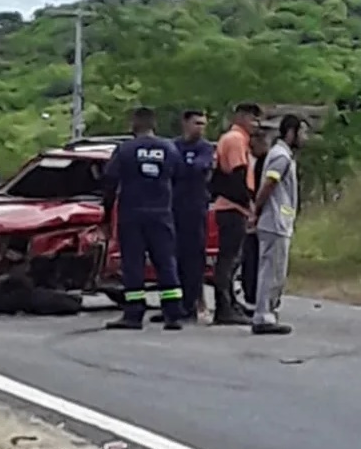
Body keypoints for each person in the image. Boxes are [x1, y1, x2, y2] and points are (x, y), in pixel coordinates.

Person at [102, 107, 187, 331]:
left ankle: (134, 314)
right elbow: (180, 178)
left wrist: (106, 210)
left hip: (132, 214)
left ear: (134, 125)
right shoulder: (169, 149)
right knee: (166, 261)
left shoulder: (125, 150)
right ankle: (173, 314)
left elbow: (109, 180)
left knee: (133, 264)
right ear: (153, 124)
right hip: (161, 213)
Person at [248, 115, 306, 335]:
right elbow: (269, 183)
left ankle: (268, 311)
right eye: (302, 132)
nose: (304, 138)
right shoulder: (281, 156)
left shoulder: (283, 155)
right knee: (271, 271)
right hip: (274, 221)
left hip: (278, 221)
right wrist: (257, 211)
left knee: (275, 271)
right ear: (291, 132)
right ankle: (263, 315)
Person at [207, 102, 261, 325]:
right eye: (253, 119)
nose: (256, 124)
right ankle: (224, 308)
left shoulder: (237, 140)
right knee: (228, 260)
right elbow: (237, 176)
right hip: (232, 207)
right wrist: (249, 204)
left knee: (231, 260)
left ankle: (230, 304)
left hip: (230, 206)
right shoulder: (236, 140)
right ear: (240, 117)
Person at [163, 109, 215, 325]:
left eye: (203, 124)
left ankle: (191, 304)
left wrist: (180, 168)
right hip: (172, 209)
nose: (200, 128)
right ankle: (173, 306)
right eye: (196, 123)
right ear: (185, 123)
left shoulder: (204, 148)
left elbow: (198, 168)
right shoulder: (173, 145)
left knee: (193, 259)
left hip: (194, 210)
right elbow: (167, 170)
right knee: (171, 258)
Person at [241, 127, 273, 311]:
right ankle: (250, 296)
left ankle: (256, 296)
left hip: (261, 214)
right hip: (250, 212)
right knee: (250, 256)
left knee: (258, 258)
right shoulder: (248, 160)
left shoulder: (267, 162)